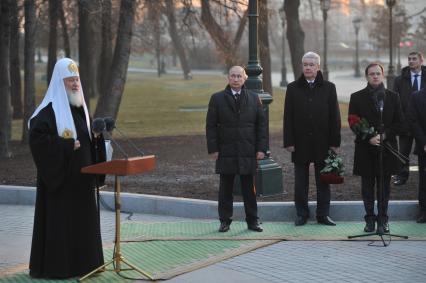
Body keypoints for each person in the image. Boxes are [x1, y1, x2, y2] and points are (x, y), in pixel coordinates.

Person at [28, 58, 106, 278]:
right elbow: (37, 139)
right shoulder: (47, 112)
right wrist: (65, 145)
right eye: (70, 80)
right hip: (60, 184)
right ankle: (61, 268)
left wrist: (97, 137)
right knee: (62, 228)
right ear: (59, 82)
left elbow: (88, 139)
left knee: (83, 226)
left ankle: (86, 265)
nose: (75, 84)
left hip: (82, 183)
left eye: (77, 80)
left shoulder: (80, 109)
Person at [283, 52, 341, 227]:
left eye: (311, 65)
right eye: (305, 64)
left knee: (324, 180)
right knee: (301, 182)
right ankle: (302, 214)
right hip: (299, 143)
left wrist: (334, 142)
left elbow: (335, 117)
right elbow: (288, 117)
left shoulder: (329, 88)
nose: (307, 67)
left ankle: (323, 215)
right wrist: (289, 141)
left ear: (318, 67)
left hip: (323, 142)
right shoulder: (293, 88)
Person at [206, 66, 266, 233]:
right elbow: (210, 126)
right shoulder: (216, 99)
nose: (236, 79)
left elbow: (261, 126)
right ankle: (224, 221)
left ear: (244, 78)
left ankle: (253, 221)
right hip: (226, 150)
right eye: (233, 76)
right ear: (228, 78)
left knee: (249, 190)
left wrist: (261, 149)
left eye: (239, 76)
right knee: (225, 189)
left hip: (248, 150)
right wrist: (213, 149)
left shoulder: (254, 99)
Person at [348, 63, 403, 234]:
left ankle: (383, 220)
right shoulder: (357, 97)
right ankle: (370, 220)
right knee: (367, 187)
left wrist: (384, 135)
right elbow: (353, 120)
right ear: (366, 76)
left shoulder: (393, 97)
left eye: (378, 73)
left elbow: (400, 124)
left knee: (384, 188)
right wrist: (368, 137)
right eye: (371, 74)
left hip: (386, 150)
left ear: (383, 75)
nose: (375, 76)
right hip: (365, 149)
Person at [393, 51, 425, 185]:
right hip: (405, 122)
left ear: (421, 61)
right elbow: (395, 100)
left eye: (414, 59)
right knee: (403, 151)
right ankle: (402, 176)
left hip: (423, 123)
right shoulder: (399, 80)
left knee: (423, 149)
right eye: (409, 59)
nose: (411, 61)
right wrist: (399, 120)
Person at [407, 87, 426, 223]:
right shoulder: (416, 96)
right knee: (424, 181)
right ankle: (424, 211)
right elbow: (413, 121)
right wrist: (424, 142)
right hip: (424, 146)